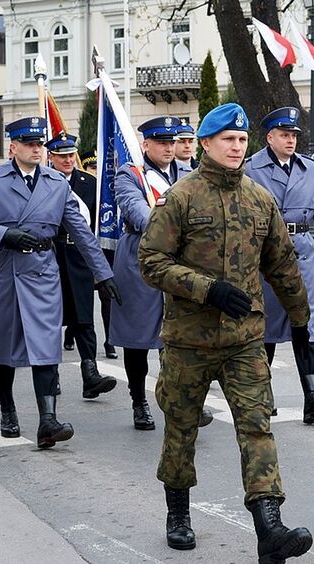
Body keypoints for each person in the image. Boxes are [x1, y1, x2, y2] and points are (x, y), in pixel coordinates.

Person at [138, 103, 314, 562]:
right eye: (227, 140)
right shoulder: (181, 197)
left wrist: (301, 322)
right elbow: (151, 262)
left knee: (257, 428)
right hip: (188, 341)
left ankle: (269, 527)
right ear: (206, 144)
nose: (236, 148)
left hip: (244, 340)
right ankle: (178, 514)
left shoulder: (260, 199)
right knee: (180, 429)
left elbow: (282, 265)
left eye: (241, 140)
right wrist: (206, 289)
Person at [0, 117, 121, 448]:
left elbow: (81, 233)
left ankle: (48, 420)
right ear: (13, 147)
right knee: (3, 346)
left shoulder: (57, 183)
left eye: (39, 144)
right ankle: (7, 409)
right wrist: (3, 235)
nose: (36, 149)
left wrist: (103, 274)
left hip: (43, 272)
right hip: (4, 271)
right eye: (29, 144)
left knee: (46, 345)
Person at [111, 115, 211, 430]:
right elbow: (138, 213)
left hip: (181, 260)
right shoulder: (131, 175)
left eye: (172, 142)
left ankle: (184, 400)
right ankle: (139, 401)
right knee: (138, 338)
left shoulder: (188, 172)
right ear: (146, 144)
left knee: (181, 336)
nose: (169, 148)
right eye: (162, 142)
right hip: (140, 258)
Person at [245, 107, 314, 425]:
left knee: (306, 325)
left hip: (302, 254)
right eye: (284, 135)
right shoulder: (251, 169)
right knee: (267, 328)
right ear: (269, 137)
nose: (291, 140)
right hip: (266, 255)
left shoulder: (309, 168)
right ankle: (262, 394)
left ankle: (312, 396)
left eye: (294, 135)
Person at [48, 132, 118, 399]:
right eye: (62, 155)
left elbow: (99, 224)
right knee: (52, 319)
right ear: (51, 157)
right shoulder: (45, 182)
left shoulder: (90, 183)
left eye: (70, 155)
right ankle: (50, 374)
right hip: (52, 254)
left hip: (79, 255)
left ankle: (90, 372)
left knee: (83, 317)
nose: (67, 160)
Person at [79, 149, 117, 359]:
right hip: (82, 249)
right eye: (92, 167)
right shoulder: (83, 186)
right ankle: (71, 333)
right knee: (81, 297)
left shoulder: (105, 190)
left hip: (104, 247)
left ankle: (109, 340)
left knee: (106, 295)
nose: (96, 171)